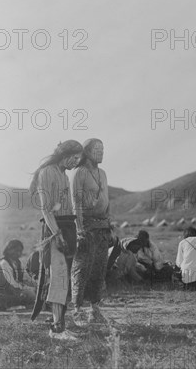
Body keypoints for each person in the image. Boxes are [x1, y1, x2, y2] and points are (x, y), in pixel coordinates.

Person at [30, 139, 83, 340]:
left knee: (65, 278)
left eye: (79, 159)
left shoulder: (64, 174)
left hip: (68, 225)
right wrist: (57, 234)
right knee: (58, 278)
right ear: (65, 154)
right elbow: (46, 208)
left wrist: (74, 231)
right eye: (75, 157)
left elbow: (65, 206)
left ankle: (60, 325)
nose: (76, 162)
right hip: (55, 229)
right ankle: (56, 329)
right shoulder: (47, 172)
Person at [71, 139, 111, 325]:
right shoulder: (80, 173)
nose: (101, 152)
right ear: (87, 152)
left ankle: (94, 310)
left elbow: (107, 201)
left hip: (102, 226)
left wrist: (109, 225)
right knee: (82, 268)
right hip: (86, 227)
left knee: (99, 269)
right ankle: (77, 310)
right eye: (97, 149)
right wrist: (79, 230)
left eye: (102, 149)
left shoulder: (102, 173)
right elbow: (76, 203)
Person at [0, 240, 36, 305]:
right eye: (16, 250)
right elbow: (11, 282)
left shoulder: (18, 262)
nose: (18, 253)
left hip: (18, 288)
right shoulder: (4, 263)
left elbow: (26, 277)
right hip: (8, 290)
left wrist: (36, 284)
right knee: (31, 294)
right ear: (9, 250)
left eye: (20, 251)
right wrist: (25, 287)